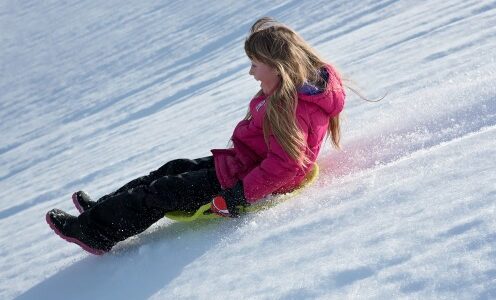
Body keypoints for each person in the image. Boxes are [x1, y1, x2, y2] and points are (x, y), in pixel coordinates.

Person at [46, 17, 346, 255]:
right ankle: (102, 209)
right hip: (243, 164)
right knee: (173, 168)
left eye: (255, 65)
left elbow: (286, 166)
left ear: (279, 68)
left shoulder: (289, 107)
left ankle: (95, 232)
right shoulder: (291, 92)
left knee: (163, 191)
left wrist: (238, 196)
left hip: (243, 181)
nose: (251, 73)